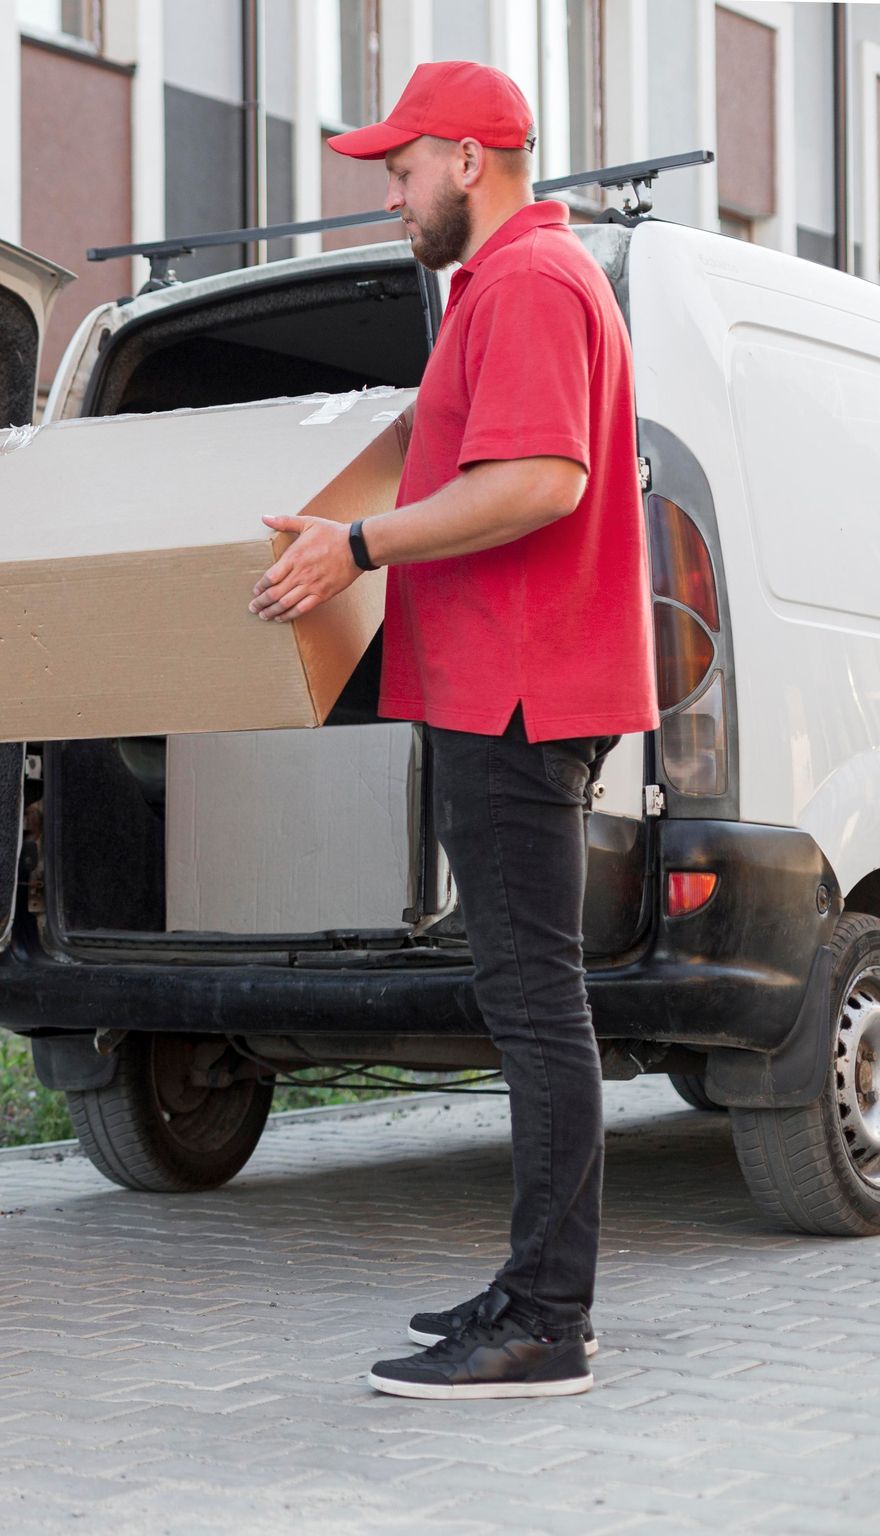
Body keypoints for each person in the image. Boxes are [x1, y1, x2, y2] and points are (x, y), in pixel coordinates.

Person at [249, 61, 658, 1400]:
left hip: (522, 692)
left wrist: (355, 544)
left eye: (401, 166)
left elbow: (543, 480)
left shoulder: (533, 282)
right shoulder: (510, 283)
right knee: (526, 996)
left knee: (538, 1006)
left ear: (470, 159)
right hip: (503, 686)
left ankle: (549, 1318)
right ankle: (530, 1284)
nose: (389, 190)